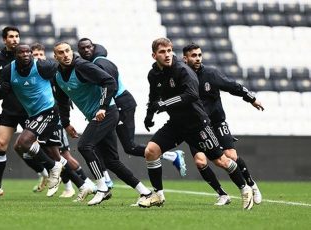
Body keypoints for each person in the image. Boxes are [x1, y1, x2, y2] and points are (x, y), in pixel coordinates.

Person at [138, 38, 254, 210]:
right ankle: (157, 195)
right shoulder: (153, 74)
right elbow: (154, 96)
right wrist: (149, 115)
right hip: (176, 124)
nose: (167, 55)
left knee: (221, 160)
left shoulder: (182, 70)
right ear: (154, 55)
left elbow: (191, 95)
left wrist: (164, 104)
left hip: (197, 124)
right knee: (151, 151)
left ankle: (245, 189)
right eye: (162, 52)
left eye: (169, 51)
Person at [53, 41, 152, 206]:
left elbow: (109, 81)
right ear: (55, 56)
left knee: (85, 146)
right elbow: (62, 100)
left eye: (67, 51)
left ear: (71, 52)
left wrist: (103, 107)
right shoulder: (57, 76)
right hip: (96, 116)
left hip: (107, 113)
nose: (65, 55)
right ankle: (145, 192)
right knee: (112, 161)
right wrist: (66, 123)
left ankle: (102, 188)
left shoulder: (82, 66)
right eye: (61, 53)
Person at [0, 43, 95, 202]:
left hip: (49, 112)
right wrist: (1, 89)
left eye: (29, 52)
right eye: (22, 52)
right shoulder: (9, 70)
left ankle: (55, 170)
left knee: (24, 143)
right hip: (34, 115)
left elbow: (63, 71)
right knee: (56, 156)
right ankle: (83, 185)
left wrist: (67, 96)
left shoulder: (42, 66)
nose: (26, 55)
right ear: (16, 55)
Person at [77, 38, 186, 178]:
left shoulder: (101, 62)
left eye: (89, 47)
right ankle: (105, 179)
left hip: (122, 104)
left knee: (130, 147)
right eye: (83, 48)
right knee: (97, 140)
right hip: (113, 106)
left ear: (94, 47)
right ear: (78, 51)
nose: (86, 50)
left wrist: (103, 106)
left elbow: (112, 85)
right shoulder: (92, 63)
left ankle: (171, 156)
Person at [0, 26, 49, 200]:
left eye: (17, 36)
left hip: (30, 109)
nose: (15, 39)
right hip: (10, 109)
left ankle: (55, 176)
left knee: (38, 146)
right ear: (4, 40)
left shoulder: (28, 58)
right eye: (11, 37)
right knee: (0, 145)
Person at [182, 43, 263, 205]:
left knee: (231, 155)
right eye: (193, 56)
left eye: (199, 55)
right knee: (200, 161)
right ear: (185, 59)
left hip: (217, 122)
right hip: (196, 126)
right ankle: (222, 194)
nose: (197, 58)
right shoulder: (181, 76)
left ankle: (251, 184)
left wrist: (252, 99)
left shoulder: (211, 74)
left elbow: (233, 86)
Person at [31, 43, 94, 198]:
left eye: (40, 54)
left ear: (46, 56)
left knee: (63, 155)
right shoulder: (35, 74)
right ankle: (69, 186)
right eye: (35, 55)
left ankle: (85, 183)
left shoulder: (52, 72)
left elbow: (62, 93)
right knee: (56, 155)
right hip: (44, 118)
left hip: (55, 118)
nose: (38, 58)